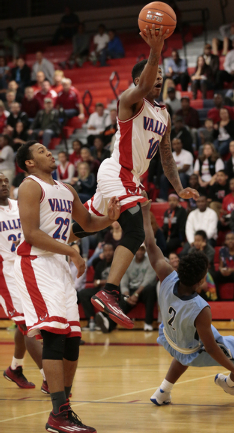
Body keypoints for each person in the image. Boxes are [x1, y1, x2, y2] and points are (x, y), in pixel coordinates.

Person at [77, 26, 199, 328]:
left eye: (160, 76)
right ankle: (109, 291)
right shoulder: (130, 101)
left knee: (84, 226)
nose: (158, 78)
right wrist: (155, 52)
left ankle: (46, 237)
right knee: (134, 231)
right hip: (116, 170)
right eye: (152, 74)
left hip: (131, 178)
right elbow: (145, 83)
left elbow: (167, 156)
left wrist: (180, 188)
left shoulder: (165, 114)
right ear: (138, 80)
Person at [14, 140, 121, 433]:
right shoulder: (29, 186)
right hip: (35, 262)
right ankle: (58, 413)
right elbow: (32, 233)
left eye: (47, 149)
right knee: (54, 336)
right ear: (29, 163)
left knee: (73, 338)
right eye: (40, 151)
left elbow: (85, 221)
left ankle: (63, 408)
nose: (48, 152)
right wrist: (71, 251)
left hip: (58, 266)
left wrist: (108, 219)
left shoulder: (66, 189)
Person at [140, 201, 234, 405]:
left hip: (170, 336)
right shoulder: (200, 308)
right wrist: (233, 369)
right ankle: (228, 384)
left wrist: (144, 211)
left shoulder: (166, 275)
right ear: (201, 280)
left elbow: (150, 244)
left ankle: (162, 392)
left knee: (186, 340)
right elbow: (211, 348)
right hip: (190, 348)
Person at [0, 173, 47, 392]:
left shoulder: (18, 205)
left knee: (27, 322)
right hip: (5, 275)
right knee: (30, 327)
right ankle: (49, 379)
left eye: (5, 182)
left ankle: (15, 368)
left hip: (25, 269)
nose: (3, 185)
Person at [77, 244, 115, 331]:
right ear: (103, 252)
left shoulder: (116, 264)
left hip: (113, 290)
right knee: (83, 293)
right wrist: (105, 282)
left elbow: (115, 281)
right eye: (106, 251)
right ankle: (91, 320)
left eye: (110, 250)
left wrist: (101, 282)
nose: (108, 253)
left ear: (113, 252)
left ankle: (104, 319)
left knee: (103, 292)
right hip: (100, 289)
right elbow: (95, 283)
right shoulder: (100, 264)